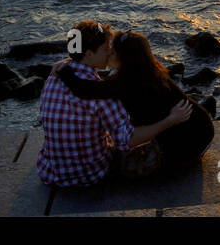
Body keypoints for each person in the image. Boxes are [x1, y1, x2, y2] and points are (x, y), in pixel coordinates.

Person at [36, 21, 190, 187]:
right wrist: (169, 121)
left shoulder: (54, 77)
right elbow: (127, 140)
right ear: (88, 54)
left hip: (51, 171)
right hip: (89, 174)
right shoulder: (104, 97)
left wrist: (68, 60)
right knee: (134, 147)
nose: (110, 51)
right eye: (105, 48)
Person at [55, 29, 214, 170]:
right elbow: (106, 84)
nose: (109, 52)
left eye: (112, 52)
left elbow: (85, 90)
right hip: (202, 128)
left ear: (124, 59)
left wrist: (63, 70)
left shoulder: (126, 83)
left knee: (128, 169)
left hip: (192, 141)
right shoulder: (148, 72)